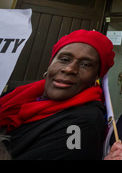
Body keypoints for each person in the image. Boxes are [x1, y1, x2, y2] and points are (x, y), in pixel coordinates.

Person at [0, 29, 115, 160]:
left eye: (85, 64)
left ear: (95, 78)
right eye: (65, 59)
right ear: (50, 63)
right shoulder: (16, 95)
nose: (70, 69)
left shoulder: (81, 125)